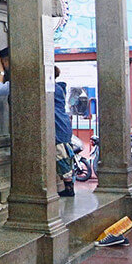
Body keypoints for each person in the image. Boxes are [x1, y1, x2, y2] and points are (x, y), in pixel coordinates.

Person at [54, 66, 75, 197]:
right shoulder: (59, 89)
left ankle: (69, 188)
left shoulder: (53, 89)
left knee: (62, 157)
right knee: (65, 156)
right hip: (63, 126)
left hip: (58, 128)